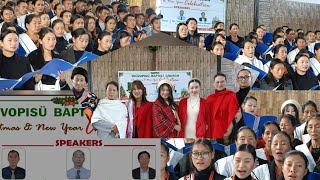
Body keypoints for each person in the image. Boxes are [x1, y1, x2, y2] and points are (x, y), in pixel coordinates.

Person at [206, 73, 239, 138]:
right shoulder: (209, 98)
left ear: (226, 82)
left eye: (222, 82)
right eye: (217, 82)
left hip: (227, 128)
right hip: (212, 127)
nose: (220, 84)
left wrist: (229, 127)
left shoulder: (231, 96)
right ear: (213, 83)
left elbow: (233, 114)